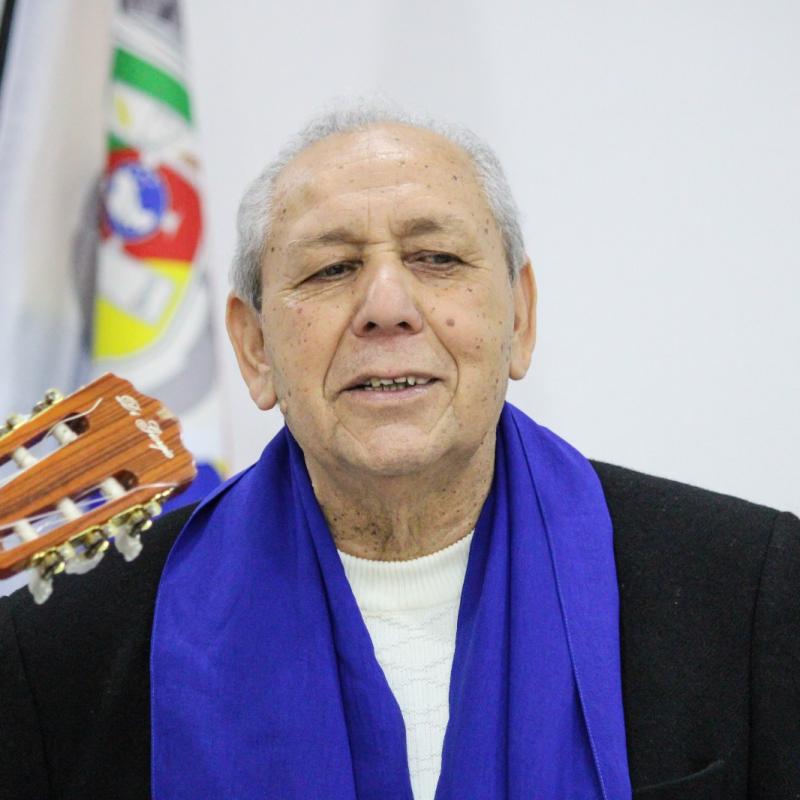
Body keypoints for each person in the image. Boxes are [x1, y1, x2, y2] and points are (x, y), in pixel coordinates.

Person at [1, 102, 798, 800]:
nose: (386, 307)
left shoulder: (749, 589)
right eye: (331, 268)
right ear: (254, 348)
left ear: (520, 319)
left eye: (437, 259)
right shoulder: (58, 652)